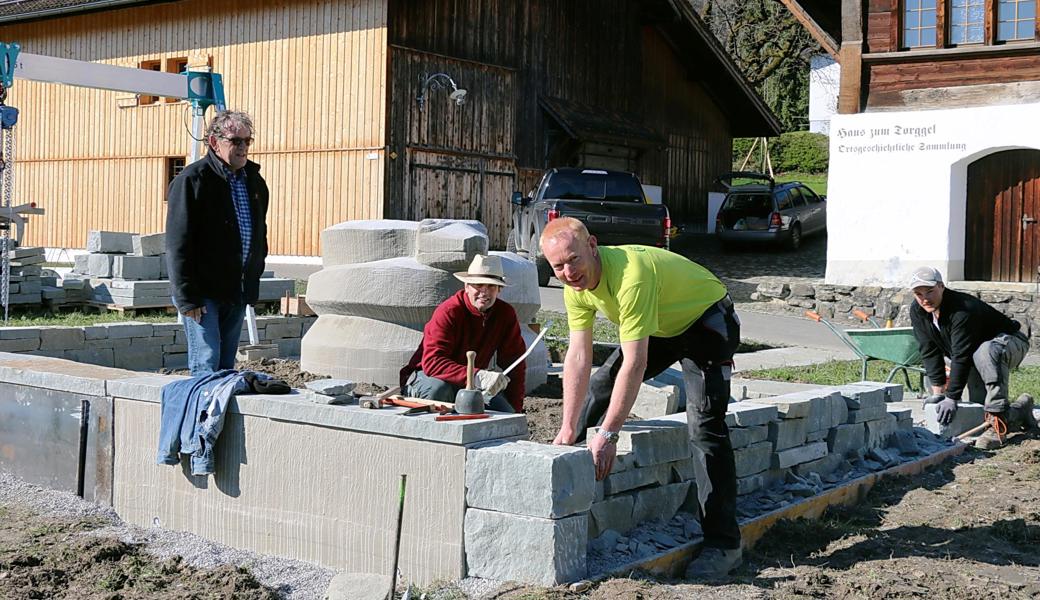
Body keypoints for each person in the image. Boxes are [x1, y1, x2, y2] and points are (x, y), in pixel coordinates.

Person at [539, 216, 742, 579]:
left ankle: (724, 544)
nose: (568, 272)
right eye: (558, 266)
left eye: (573, 260)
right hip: (664, 322)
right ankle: (567, 479)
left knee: (705, 428)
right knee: (602, 385)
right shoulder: (575, 287)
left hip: (708, 320)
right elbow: (578, 357)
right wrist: (569, 428)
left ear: (592, 245)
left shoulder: (631, 276)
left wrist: (610, 435)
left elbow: (635, 362)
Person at [166, 110, 269, 376]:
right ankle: (201, 417)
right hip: (204, 295)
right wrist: (187, 297)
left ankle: (220, 418)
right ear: (214, 142)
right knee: (207, 364)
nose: (243, 148)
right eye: (236, 141)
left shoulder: (254, 183)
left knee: (225, 367)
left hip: (236, 290)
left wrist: (252, 280)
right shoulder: (192, 180)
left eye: (248, 141)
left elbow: (259, 235)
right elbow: (179, 244)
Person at [908, 266, 1034, 448]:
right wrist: (938, 393)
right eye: (918, 294)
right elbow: (929, 349)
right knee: (979, 407)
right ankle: (1021, 410)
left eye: (930, 291)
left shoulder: (961, 310)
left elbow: (960, 354)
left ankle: (998, 425)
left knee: (987, 351)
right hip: (975, 351)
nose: (925, 299)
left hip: (1009, 343)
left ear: (942, 286)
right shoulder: (918, 311)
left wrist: (952, 397)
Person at [400, 254, 526, 412]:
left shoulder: (505, 314)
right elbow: (433, 363)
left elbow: (515, 364)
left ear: (499, 289)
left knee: (504, 412)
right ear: (466, 286)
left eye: (491, 286)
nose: (484, 292)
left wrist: (515, 410)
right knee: (438, 390)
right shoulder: (449, 311)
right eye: (478, 285)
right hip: (429, 377)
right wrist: (478, 376)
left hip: (470, 383)